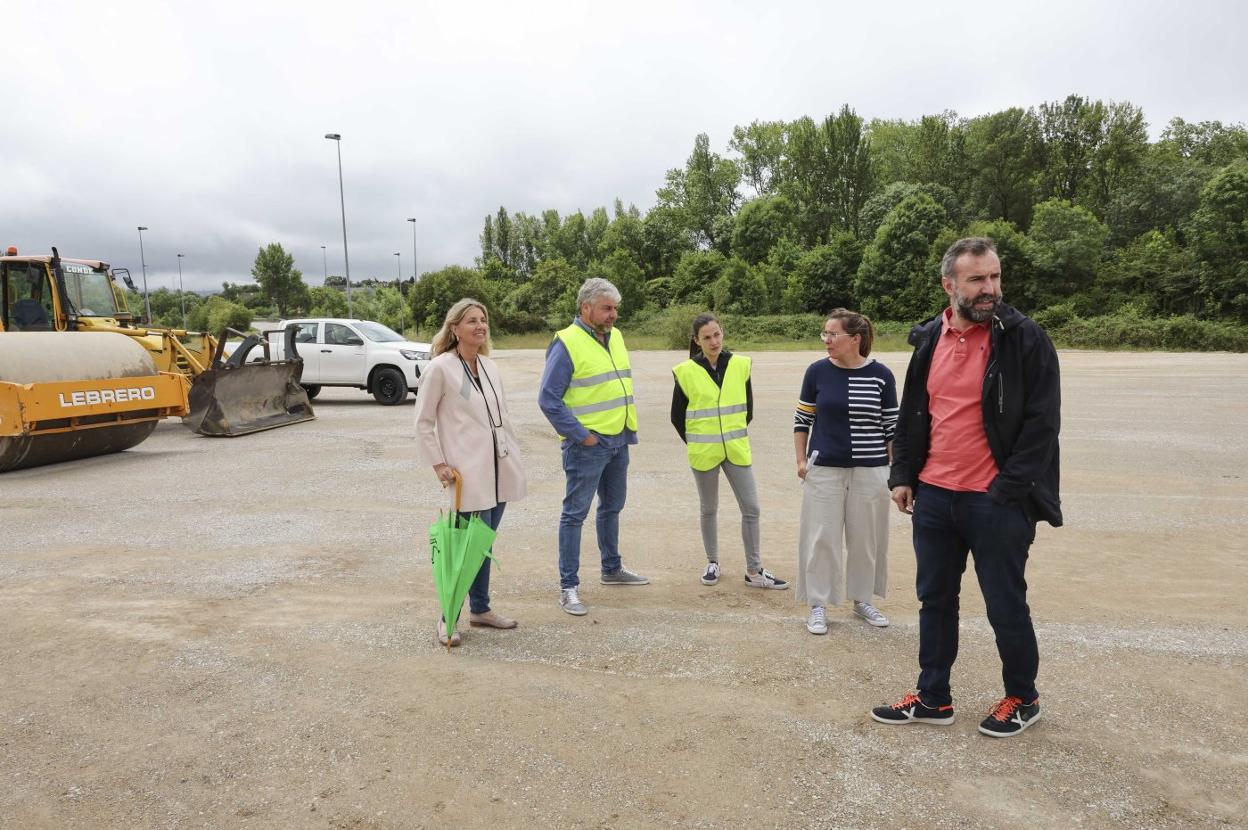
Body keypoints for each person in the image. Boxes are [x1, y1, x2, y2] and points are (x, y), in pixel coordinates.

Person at [870, 237, 1061, 739]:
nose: (990, 289)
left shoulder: (1023, 338)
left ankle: (1023, 696)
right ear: (949, 284)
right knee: (934, 600)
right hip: (933, 497)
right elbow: (914, 414)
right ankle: (933, 697)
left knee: (1005, 604)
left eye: (995, 277)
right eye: (977, 279)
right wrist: (903, 476)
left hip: (994, 501)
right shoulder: (930, 338)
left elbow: (1043, 426)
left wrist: (1006, 491)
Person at [413, 298, 527, 646]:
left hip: (499, 469)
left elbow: (501, 417)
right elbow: (423, 423)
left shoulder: (490, 367)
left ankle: (480, 609)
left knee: (484, 545)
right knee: (462, 548)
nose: (480, 326)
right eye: (472, 321)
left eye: (483, 320)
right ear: (454, 328)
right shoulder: (441, 368)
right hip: (468, 473)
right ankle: (448, 618)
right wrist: (439, 463)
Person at [539, 277, 648, 617]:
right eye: (607, 308)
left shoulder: (615, 336)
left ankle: (611, 569)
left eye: (615, 308)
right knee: (575, 515)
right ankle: (568, 587)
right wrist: (580, 435)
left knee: (612, 506)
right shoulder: (566, 343)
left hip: (618, 439)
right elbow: (548, 399)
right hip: (587, 445)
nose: (613, 314)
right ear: (585, 308)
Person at [793, 308, 897, 635]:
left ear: (855, 339)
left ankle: (862, 599)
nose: (826, 340)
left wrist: (896, 474)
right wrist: (801, 460)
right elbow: (802, 421)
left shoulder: (882, 375)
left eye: (832, 334)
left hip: (872, 470)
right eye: (825, 334)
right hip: (824, 469)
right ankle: (818, 605)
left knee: (866, 539)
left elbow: (891, 428)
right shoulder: (817, 372)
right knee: (821, 538)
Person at [671, 313, 788, 590]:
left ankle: (754, 570)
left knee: (751, 508)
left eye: (717, 335)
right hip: (704, 452)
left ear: (722, 333)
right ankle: (712, 562)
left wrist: (728, 436)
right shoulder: (685, 371)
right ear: (696, 341)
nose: (714, 341)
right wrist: (700, 442)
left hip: (735, 449)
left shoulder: (741, 365)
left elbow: (747, 410)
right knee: (709, 508)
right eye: (707, 337)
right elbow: (677, 417)